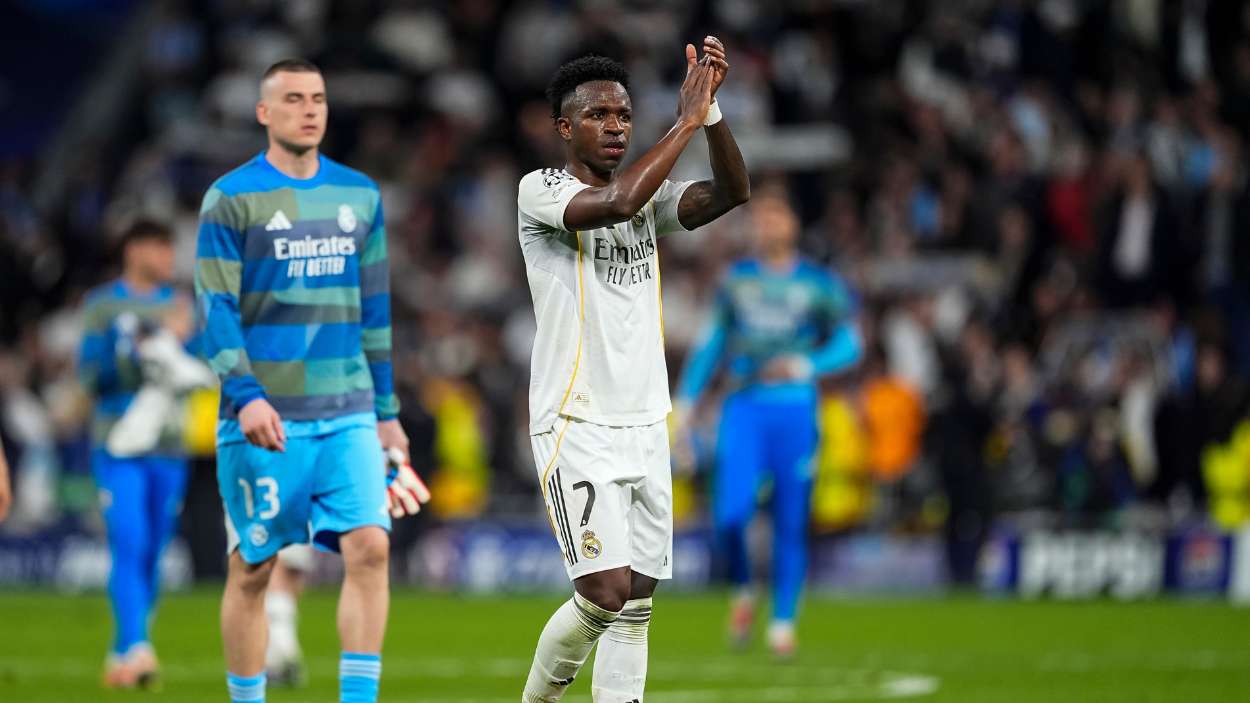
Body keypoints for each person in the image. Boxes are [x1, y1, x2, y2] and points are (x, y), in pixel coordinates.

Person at [516, 39, 749, 702]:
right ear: (565, 128)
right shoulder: (543, 191)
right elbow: (615, 204)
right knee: (603, 591)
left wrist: (709, 117)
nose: (616, 125)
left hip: (646, 420)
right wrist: (682, 121)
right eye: (598, 116)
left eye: (623, 115)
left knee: (638, 600)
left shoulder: (651, 196)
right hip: (575, 418)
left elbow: (734, 191)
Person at [195, 59, 427, 703]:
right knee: (252, 569)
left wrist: (386, 411)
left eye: (318, 98)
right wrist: (244, 398)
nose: (310, 109)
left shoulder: (360, 196)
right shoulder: (231, 198)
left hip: (349, 411)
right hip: (265, 418)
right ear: (264, 112)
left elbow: (375, 314)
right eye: (293, 99)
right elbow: (214, 310)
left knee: (371, 549)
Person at [674, 190, 862, 657]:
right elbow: (713, 341)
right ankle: (742, 586)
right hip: (744, 406)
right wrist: (686, 399)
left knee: (790, 520)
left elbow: (850, 344)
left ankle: (782, 623)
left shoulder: (819, 284)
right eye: (759, 218)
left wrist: (806, 365)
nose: (765, 224)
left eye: (775, 215)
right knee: (729, 515)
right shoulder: (736, 282)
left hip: (795, 408)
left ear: (794, 224)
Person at [77, 219, 194, 688]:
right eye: (159, 248)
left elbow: (203, 364)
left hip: (169, 444)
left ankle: (122, 652)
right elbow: (90, 376)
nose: (167, 258)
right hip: (118, 441)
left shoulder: (183, 306)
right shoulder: (103, 306)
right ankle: (139, 648)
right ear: (133, 250)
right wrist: (138, 344)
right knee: (129, 539)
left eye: (170, 248)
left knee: (154, 548)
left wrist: (182, 342)